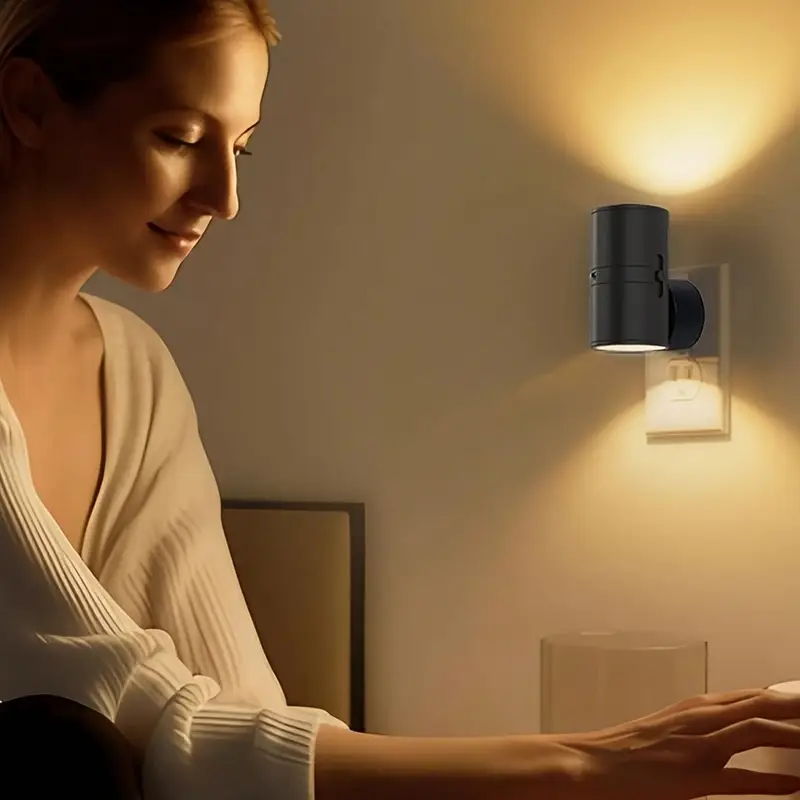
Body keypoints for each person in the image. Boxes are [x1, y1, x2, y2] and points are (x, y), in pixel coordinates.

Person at [0, 1, 799, 798]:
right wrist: (585, 762)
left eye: (243, 146)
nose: (226, 195)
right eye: (179, 138)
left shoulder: (137, 371)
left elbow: (237, 719)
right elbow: (142, 718)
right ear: (30, 103)